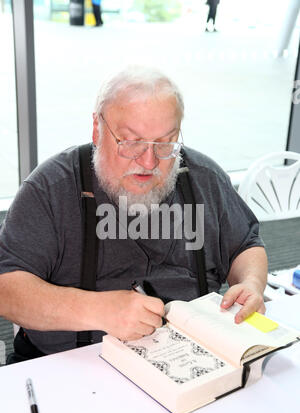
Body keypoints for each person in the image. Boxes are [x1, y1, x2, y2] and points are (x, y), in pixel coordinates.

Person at [0, 65, 267, 364]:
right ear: (97, 129)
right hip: (76, 366)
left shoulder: (203, 178)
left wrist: (251, 284)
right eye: (131, 142)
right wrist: (96, 309)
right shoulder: (51, 188)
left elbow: (245, 244)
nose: (149, 160)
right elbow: (6, 289)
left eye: (165, 143)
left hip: (193, 357)